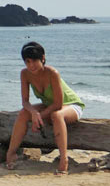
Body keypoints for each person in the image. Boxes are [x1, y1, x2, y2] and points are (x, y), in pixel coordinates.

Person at [6, 41, 84, 174]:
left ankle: (63, 159)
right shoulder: (25, 73)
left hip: (71, 105)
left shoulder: (52, 73)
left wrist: (39, 116)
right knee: (24, 113)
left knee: (56, 115)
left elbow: (58, 104)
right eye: (28, 61)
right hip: (50, 105)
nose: (31, 65)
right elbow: (25, 101)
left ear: (42, 58)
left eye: (34, 61)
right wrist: (34, 113)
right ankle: (10, 154)